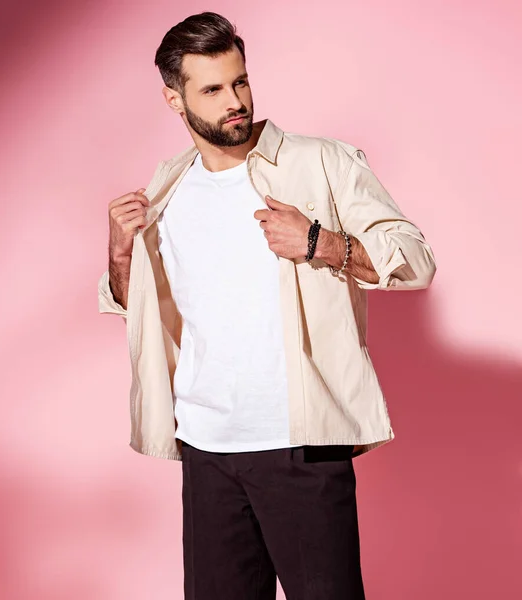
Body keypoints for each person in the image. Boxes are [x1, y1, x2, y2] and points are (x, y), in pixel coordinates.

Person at [98, 11, 436, 600]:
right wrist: (120, 255)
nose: (235, 101)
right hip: (207, 448)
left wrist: (319, 243)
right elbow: (141, 310)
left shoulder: (321, 162)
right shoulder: (167, 187)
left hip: (300, 443)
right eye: (212, 89)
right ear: (174, 99)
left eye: (241, 81)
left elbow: (415, 258)